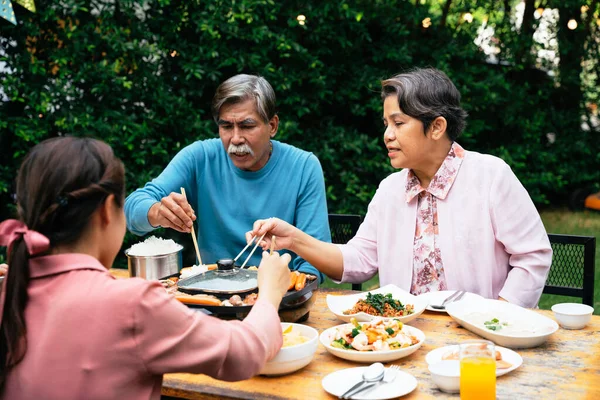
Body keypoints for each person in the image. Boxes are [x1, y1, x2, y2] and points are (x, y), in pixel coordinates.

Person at [0, 137, 291, 399]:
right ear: (107, 210)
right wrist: (268, 294)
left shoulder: (10, 288)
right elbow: (243, 353)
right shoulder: (131, 304)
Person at [248, 68, 553, 308]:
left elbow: (533, 256)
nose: (387, 135)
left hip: (477, 344)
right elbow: (358, 262)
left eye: (398, 123)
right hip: (403, 338)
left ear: (436, 127)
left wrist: (498, 317)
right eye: (386, 123)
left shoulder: (491, 176)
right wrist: (293, 239)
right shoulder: (390, 190)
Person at [124, 74, 329, 281]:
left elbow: (314, 262)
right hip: (206, 297)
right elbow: (131, 210)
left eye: (247, 126)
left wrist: (291, 291)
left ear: (273, 126)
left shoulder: (303, 167)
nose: (236, 138)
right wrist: (157, 212)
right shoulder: (200, 157)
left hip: (277, 296)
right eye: (226, 127)